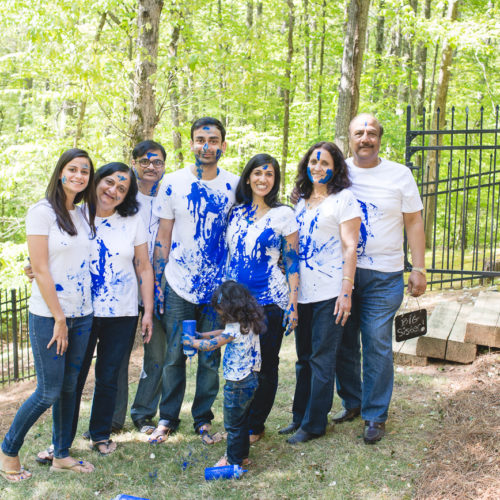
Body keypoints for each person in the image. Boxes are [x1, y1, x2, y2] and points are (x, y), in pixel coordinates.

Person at [1, 148, 97, 481]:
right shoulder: (41, 212)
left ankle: (61, 454)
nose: (79, 176)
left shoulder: (84, 214)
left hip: (83, 314)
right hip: (49, 316)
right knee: (48, 391)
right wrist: (59, 318)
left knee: (70, 388)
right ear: (60, 173)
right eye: (73, 169)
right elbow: (40, 269)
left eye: (85, 171)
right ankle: (8, 450)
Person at [334, 113, 427, 444]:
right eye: (358, 132)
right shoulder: (338, 172)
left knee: (376, 342)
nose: (365, 138)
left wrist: (419, 267)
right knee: (343, 342)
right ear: (350, 137)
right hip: (343, 275)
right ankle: (352, 402)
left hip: (385, 276)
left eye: (371, 133)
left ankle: (375, 415)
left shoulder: (400, 175)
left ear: (380, 139)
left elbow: (414, 222)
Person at [151, 117, 239, 444]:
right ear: (191, 143)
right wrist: (160, 286)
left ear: (223, 146)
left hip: (218, 289)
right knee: (174, 355)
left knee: (210, 356)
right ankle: (168, 418)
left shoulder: (235, 184)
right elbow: (163, 236)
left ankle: (202, 419)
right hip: (179, 283)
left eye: (213, 140)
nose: (206, 145)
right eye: (200, 139)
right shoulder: (172, 182)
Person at [281, 141, 361, 444]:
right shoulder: (300, 202)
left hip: (331, 291)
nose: (318, 168)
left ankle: (315, 424)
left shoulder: (344, 199)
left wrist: (346, 290)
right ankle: (298, 417)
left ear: (336, 168)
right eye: (314, 162)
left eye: (325, 163)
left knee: (322, 359)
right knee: (303, 359)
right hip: (302, 292)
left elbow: (350, 246)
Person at [71, 162, 154, 455]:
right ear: (96, 181)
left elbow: (144, 266)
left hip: (122, 312)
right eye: (109, 182)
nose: (113, 190)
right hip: (80, 313)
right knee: (75, 377)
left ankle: (100, 434)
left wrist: (148, 311)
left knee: (108, 376)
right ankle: (63, 440)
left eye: (122, 188)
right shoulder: (74, 215)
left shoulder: (132, 221)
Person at [225, 153, 299, 443]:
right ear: (248, 177)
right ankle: (238, 419)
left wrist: (293, 304)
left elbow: (292, 262)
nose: (263, 179)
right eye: (258, 173)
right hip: (236, 304)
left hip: (271, 301)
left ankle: (255, 425)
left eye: (269, 175)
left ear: (275, 181)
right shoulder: (235, 212)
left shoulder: (284, 215)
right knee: (239, 365)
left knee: (266, 364)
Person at [112, 140, 167, 435]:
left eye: (157, 162)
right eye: (144, 161)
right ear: (133, 163)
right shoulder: (120, 196)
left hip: (155, 289)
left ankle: (144, 413)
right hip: (119, 290)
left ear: (164, 166)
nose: (151, 167)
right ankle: (111, 418)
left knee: (156, 354)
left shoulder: (170, 196)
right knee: (116, 358)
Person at [182, 281, 265, 467]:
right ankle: (242, 456)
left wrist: (192, 342)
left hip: (237, 383)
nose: (219, 313)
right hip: (250, 379)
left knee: (233, 425)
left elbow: (211, 346)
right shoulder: (247, 323)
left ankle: (232, 460)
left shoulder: (235, 329)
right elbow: (222, 333)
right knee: (241, 422)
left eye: (220, 310)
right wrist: (203, 335)